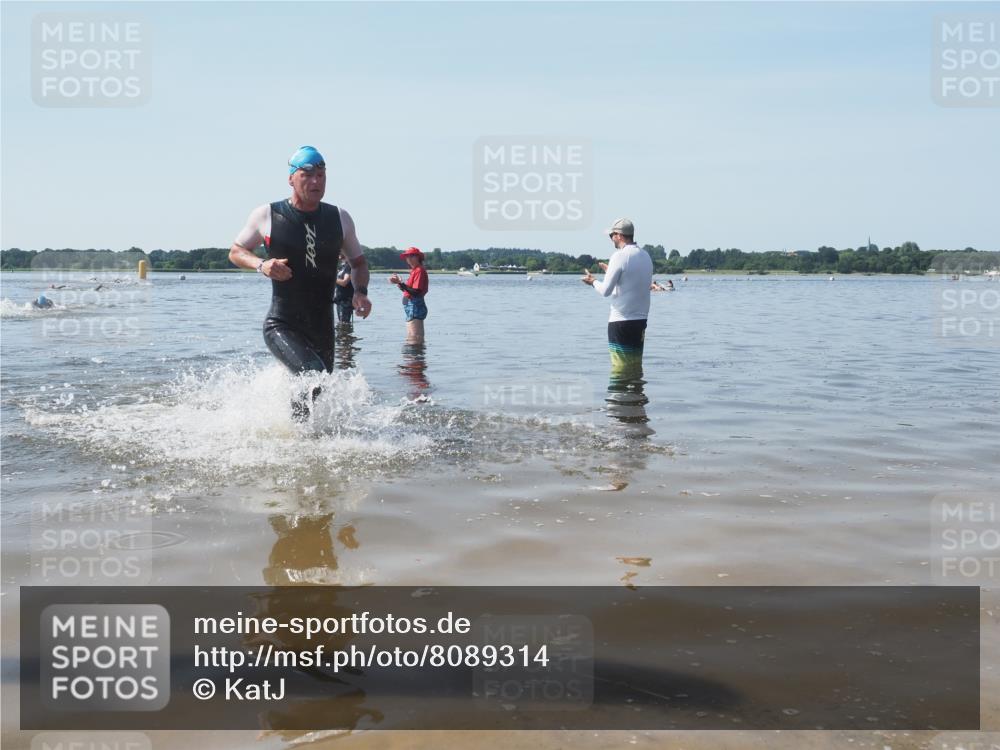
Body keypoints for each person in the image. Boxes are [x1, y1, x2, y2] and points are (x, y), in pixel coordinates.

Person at [228, 145, 372, 420]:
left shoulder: (339, 218)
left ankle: (296, 437)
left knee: (318, 387)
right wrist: (262, 265)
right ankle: (298, 439)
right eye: (307, 174)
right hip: (282, 323)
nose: (316, 181)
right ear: (291, 178)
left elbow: (359, 263)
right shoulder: (268, 215)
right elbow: (236, 251)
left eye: (321, 174)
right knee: (313, 376)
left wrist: (361, 292)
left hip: (321, 325)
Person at [582, 218, 653, 378]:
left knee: (620, 370)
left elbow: (606, 291)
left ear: (619, 235)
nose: (611, 239)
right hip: (640, 321)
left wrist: (593, 282)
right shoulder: (646, 256)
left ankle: (620, 402)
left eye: (611, 235)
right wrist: (610, 273)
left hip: (620, 322)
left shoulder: (619, 256)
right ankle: (635, 400)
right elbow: (630, 284)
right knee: (634, 367)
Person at [388, 246, 428, 344]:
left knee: (415, 337)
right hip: (411, 305)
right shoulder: (415, 271)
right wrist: (399, 282)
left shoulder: (419, 270)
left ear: (418, 257)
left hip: (414, 305)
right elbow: (409, 290)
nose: (409, 259)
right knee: (411, 337)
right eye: (407, 256)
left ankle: (416, 357)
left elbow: (416, 292)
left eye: (412, 256)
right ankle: (414, 357)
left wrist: (401, 284)